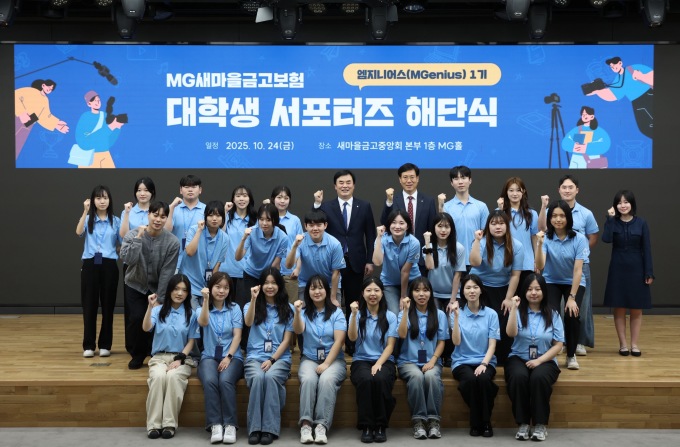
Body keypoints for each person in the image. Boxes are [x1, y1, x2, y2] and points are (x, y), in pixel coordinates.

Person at [539, 175, 598, 356]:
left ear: (577, 189)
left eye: (570, 187)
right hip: (553, 273)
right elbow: (541, 229)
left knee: (577, 309)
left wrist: (579, 254)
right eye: (564, 187)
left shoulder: (585, 214)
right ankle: (559, 341)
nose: (567, 190)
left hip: (577, 267)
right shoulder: (548, 227)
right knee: (553, 311)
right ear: (559, 190)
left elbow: (592, 236)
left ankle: (577, 342)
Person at [121, 201, 181, 370]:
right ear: (148, 215)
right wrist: (138, 238)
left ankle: (153, 352)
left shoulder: (173, 242)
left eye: (163, 216)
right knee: (136, 317)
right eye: (155, 215)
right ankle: (137, 354)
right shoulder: (132, 234)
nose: (158, 220)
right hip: (135, 283)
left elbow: (167, 272)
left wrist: (160, 298)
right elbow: (128, 259)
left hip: (156, 287)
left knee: (155, 319)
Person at [505, 273, 564, 442]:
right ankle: (523, 423)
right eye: (529, 289)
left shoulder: (553, 314)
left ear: (544, 291)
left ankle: (540, 424)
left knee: (539, 378)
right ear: (524, 292)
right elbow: (510, 333)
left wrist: (539, 360)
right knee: (518, 377)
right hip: (518, 357)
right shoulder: (518, 311)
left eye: (537, 289)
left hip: (545, 359)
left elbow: (558, 345)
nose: (533, 293)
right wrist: (513, 309)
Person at [314, 170, 377, 322]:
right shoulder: (326, 206)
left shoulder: (364, 206)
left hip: (355, 262)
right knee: (330, 301)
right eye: (341, 183)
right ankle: (333, 334)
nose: (345, 186)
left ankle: (352, 336)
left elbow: (370, 235)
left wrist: (370, 260)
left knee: (353, 303)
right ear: (335, 186)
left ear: (354, 185)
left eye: (348, 182)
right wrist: (316, 204)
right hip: (331, 262)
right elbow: (314, 224)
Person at [535, 200, 589, 371]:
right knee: (550, 313)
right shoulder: (545, 238)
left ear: (568, 218)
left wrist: (572, 298)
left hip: (573, 282)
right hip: (551, 281)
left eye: (562, 216)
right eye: (554, 216)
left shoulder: (579, 238)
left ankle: (571, 354)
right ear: (549, 218)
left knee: (572, 314)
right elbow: (540, 266)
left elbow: (578, 270)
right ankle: (551, 350)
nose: (558, 219)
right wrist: (539, 245)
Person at [293, 275, 347, 444]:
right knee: (308, 379)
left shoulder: (337, 312)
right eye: (313, 288)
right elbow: (298, 330)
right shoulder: (303, 312)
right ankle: (306, 424)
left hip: (334, 360)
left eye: (320, 287)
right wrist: (297, 313)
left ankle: (321, 425)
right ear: (308, 292)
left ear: (327, 290)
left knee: (327, 379)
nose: (317, 291)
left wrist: (326, 363)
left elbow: (339, 341)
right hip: (309, 358)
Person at [243, 268, 294, 445]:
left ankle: (269, 429)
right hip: (255, 357)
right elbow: (248, 322)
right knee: (258, 378)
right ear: (260, 285)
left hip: (279, 358)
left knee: (271, 377)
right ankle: (255, 428)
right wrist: (253, 299)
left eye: (273, 283)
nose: (270, 286)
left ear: (279, 285)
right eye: (266, 283)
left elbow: (287, 340)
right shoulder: (250, 305)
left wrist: (272, 359)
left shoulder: (289, 308)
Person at [142, 273, 197, 440]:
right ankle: (153, 425)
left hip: (181, 358)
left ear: (188, 293)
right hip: (159, 357)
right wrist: (150, 307)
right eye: (176, 289)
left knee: (173, 378)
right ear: (170, 290)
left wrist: (180, 359)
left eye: (184, 290)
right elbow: (146, 328)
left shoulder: (191, 313)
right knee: (158, 377)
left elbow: (191, 341)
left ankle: (169, 424)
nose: (180, 293)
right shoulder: (158, 310)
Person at [602, 190, 654, 357]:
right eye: (619, 203)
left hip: (637, 268)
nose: (622, 205)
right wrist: (610, 219)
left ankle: (634, 344)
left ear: (632, 204)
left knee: (636, 308)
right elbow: (606, 238)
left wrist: (649, 272)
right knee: (619, 307)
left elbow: (647, 249)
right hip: (618, 268)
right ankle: (623, 344)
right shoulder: (613, 221)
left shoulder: (641, 223)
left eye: (626, 202)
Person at [469, 210, 524, 365]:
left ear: (507, 225)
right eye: (493, 224)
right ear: (488, 226)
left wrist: (508, 298)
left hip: (503, 287)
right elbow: (474, 263)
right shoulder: (481, 241)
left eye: (501, 223)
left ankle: (501, 359)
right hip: (480, 287)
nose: (497, 227)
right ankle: (478, 356)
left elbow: (515, 275)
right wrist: (477, 241)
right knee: (480, 322)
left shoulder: (517, 245)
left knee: (503, 321)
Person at [396, 277, 449, 440]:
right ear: (411, 293)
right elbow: (401, 334)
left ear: (431, 293)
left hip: (432, 360)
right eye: (417, 290)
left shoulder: (439, 314)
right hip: (408, 361)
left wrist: (432, 361)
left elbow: (441, 342)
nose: (421, 294)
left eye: (425, 290)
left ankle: (433, 421)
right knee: (417, 376)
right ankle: (418, 421)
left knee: (431, 377)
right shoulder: (404, 313)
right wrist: (406, 311)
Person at [348, 277, 398, 444]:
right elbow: (352, 338)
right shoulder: (357, 314)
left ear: (382, 293)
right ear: (363, 293)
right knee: (366, 380)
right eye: (368, 290)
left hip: (384, 360)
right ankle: (367, 426)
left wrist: (378, 364)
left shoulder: (390, 316)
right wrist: (353, 315)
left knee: (381, 379)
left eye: (376, 290)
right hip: (361, 360)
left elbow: (390, 346)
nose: (372, 294)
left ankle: (381, 425)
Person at [196, 272, 244, 444]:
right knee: (210, 380)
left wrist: (228, 357)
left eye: (226, 287)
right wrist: (206, 301)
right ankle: (215, 424)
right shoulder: (201, 307)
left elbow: (237, 335)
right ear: (210, 288)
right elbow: (203, 322)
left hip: (232, 356)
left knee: (225, 380)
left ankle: (230, 425)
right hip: (209, 356)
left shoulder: (235, 308)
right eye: (218, 287)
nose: (222, 291)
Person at [451, 274, 500, 438]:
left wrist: (484, 364)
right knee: (470, 380)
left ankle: (483, 422)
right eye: (468, 288)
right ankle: (479, 422)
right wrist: (456, 318)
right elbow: (456, 342)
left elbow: (492, 345)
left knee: (484, 380)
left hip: (485, 361)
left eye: (475, 287)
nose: (472, 291)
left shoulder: (491, 314)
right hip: (461, 361)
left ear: (481, 290)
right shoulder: (456, 313)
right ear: (462, 292)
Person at [76, 185, 121, 358]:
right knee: (89, 306)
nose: (102, 201)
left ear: (110, 200)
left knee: (108, 306)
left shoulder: (115, 221)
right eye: (98, 198)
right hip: (90, 265)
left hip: (109, 265)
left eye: (105, 198)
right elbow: (78, 232)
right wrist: (85, 211)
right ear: (93, 200)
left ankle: (105, 344)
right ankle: (88, 345)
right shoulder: (88, 219)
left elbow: (122, 241)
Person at [422, 212, 466, 365]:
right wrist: (428, 243)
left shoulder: (458, 248)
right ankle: (434, 355)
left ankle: (451, 356)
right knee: (434, 322)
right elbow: (429, 266)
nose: (443, 230)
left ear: (451, 229)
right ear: (433, 228)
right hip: (433, 294)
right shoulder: (427, 247)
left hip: (452, 294)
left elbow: (457, 276)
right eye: (439, 226)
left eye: (447, 226)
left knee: (451, 323)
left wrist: (452, 300)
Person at [380, 163, 436, 275]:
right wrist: (389, 202)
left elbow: (432, 230)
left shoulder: (428, 201)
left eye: (412, 177)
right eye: (405, 177)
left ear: (417, 178)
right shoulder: (393, 200)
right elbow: (384, 223)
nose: (409, 181)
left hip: (421, 257)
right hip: (396, 256)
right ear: (400, 180)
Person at [285, 210, 346, 306]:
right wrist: (295, 246)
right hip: (305, 283)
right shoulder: (300, 241)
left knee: (334, 311)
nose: (315, 228)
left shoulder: (335, 244)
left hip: (329, 284)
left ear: (325, 225)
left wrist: (333, 298)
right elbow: (288, 265)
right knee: (303, 313)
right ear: (305, 226)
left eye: (319, 225)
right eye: (311, 225)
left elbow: (336, 273)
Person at [587, 56, 653, 138]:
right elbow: (612, 95)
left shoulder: (633, 68)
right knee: (645, 127)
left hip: (648, 96)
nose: (613, 68)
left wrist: (642, 76)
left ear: (620, 63)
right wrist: (598, 91)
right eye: (611, 67)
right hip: (637, 103)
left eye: (614, 65)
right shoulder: (618, 79)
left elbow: (653, 77)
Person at [181, 200, 229, 310]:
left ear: (223, 218)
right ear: (205, 217)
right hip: (190, 283)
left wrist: (211, 288)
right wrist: (199, 231)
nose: (214, 219)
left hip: (206, 286)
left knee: (206, 314)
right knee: (193, 314)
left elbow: (217, 266)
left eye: (218, 215)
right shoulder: (194, 230)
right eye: (211, 215)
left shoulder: (225, 238)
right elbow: (190, 252)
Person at [372, 209, 421, 315]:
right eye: (393, 223)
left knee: (409, 312)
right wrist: (379, 237)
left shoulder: (414, 243)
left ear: (407, 226)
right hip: (389, 282)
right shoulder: (382, 239)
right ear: (388, 225)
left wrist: (403, 296)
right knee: (394, 313)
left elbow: (405, 271)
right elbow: (377, 262)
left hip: (411, 281)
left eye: (401, 223)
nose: (397, 226)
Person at [440, 166, 490, 269]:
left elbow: (487, 234)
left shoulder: (481, 206)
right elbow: (442, 233)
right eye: (456, 179)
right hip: (453, 260)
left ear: (470, 180)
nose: (460, 182)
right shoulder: (446, 207)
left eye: (463, 178)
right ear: (451, 183)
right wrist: (440, 207)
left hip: (477, 260)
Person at [236, 203, 289, 294]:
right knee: (250, 302)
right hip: (251, 273)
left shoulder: (283, 237)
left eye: (268, 220)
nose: (264, 223)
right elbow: (238, 257)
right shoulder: (251, 232)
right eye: (261, 219)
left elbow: (276, 264)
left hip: (269, 275)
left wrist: (267, 281)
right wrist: (243, 239)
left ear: (275, 220)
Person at [221, 185, 258, 308]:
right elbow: (220, 235)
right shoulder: (227, 217)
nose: (241, 199)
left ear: (250, 198)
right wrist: (224, 212)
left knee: (245, 308)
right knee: (227, 308)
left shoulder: (256, 219)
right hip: (228, 270)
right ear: (233, 199)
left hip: (248, 272)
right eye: (238, 196)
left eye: (245, 196)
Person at [497, 177, 539, 285]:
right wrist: (501, 211)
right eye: (511, 190)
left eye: (518, 190)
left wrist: (536, 260)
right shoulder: (498, 212)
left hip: (526, 263)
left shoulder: (532, 214)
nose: (515, 194)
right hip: (505, 263)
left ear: (523, 191)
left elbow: (534, 237)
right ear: (506, 192)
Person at [14, 79, 69, 160]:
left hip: (28, 125)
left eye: (51, 89)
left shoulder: (45, 100)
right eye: (48, 87)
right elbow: (15, 95)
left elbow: (45, 116)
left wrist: (56, 124)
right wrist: (21, 113)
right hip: (16, 118)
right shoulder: (31, 91)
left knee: (16, 147)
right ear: (43, 85)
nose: (49, 90)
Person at [270, 185, 304, 302]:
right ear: (273, 199)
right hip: (270, 271)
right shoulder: (267, 219)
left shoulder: (295, 220)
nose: (282, 201)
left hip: (290, 272)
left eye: (286, 198)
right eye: (279, 197)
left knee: (291, 306)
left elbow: (300, 247)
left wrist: (298, 268)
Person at [74, 91, 125, 169]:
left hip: (104, 153)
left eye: (98, 100)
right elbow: (82, 141)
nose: (97, 102)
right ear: (89, 104)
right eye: (94, 100)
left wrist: (117, 128)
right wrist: (111, 127)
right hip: (89, 156)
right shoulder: (85, 117)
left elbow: (109, 141)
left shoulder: (105, 115)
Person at [166, 175, 206, 268]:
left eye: (194, 187)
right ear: (181, 190)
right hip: (175, 261)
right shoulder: (172, 208)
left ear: (200, 190)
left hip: (198, 263)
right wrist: (171, 208)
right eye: (187, 187)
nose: (190, 190)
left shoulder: (206, 210)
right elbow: (166, 231)